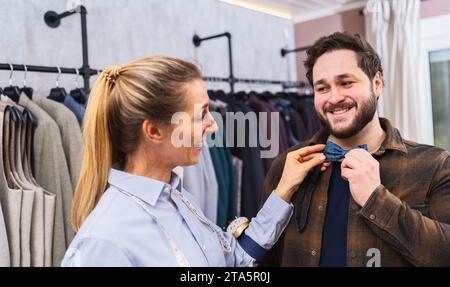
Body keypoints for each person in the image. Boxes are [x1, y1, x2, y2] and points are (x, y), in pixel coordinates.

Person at [61, 56, 327, 267]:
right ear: (153, 131)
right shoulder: (105, 241)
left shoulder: (178, 199)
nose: (213, 126)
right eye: (201, 115)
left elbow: (232, 258)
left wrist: (283, 191)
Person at [262, 32, 450, 267]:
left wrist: (377, 199)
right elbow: (264, 260)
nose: (334, 97)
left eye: (346, 83)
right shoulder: (285, 166)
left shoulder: (435, 165)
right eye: (322, 88)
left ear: (377, 83)